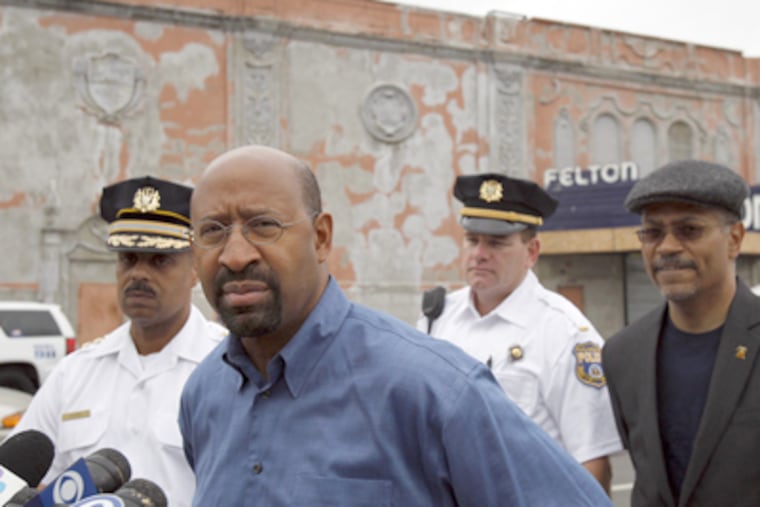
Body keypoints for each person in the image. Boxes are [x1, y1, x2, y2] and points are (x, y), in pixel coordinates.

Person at [179, 145, 613, 506]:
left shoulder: (437, 392)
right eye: (212, 231)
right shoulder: (203, 395)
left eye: (264, 226)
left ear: (321, 238)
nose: (235, 255)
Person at [12, 176, 226, 507]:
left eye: (159, 260)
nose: (138, 274)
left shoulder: (229, 370)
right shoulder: (75, 373)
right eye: (128, 258)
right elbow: (21, 477)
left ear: (195, 268)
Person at [417, 172, 622, 492]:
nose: (480, 253)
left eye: (497, 243)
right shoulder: (438, 316)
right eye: (472, 239)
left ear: (532, 251)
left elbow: (591, 463)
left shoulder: (566, 333)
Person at [602, 159, 760, 507]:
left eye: (689, 230)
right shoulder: (621, 354)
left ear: (734, 239)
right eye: (652, 233)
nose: (667, 247)